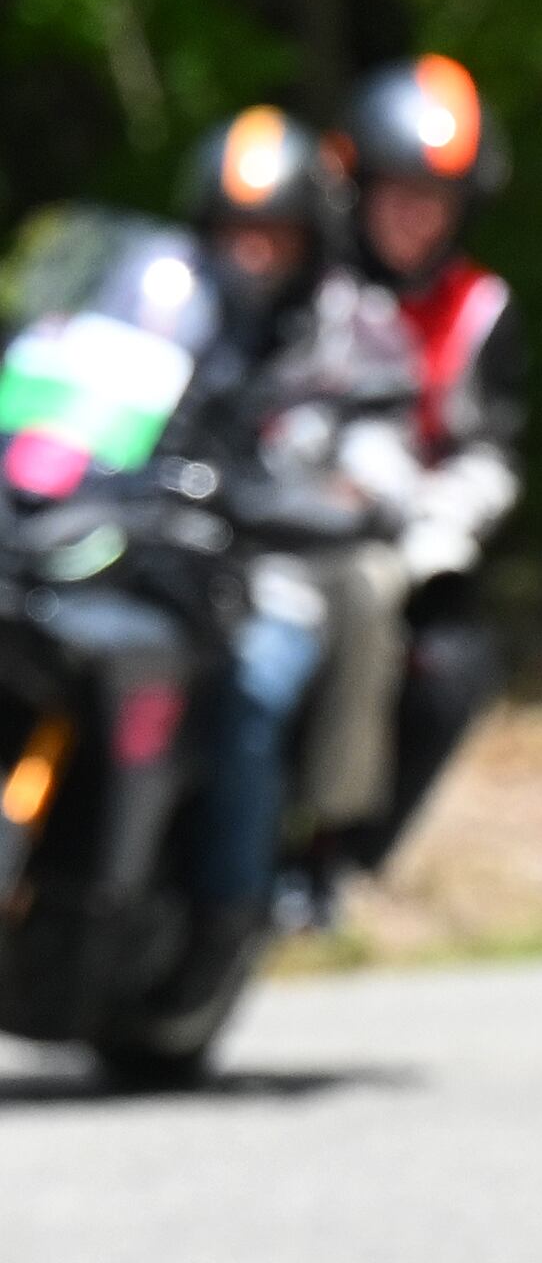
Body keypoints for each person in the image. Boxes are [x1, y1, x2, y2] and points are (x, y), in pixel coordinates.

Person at [168, 105, 417, 953]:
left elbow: (378, 479)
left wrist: (312, 503)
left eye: (272, 231)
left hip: (277, 574)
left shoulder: (359, 330)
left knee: (249, 693)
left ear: (311, 234)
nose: (251, 250)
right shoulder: (173, 306)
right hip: (156, 558)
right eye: (234, 228)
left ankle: (227, 914)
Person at [330, 53, 522, 868]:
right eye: (401, 194)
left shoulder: (479, 308)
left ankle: (339, 857)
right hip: (277, 516)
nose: (417, 218)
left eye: (436, 202)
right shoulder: (308, 278)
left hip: (398, 535)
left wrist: (432, 518)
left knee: (452, 667)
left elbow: (491, 452)